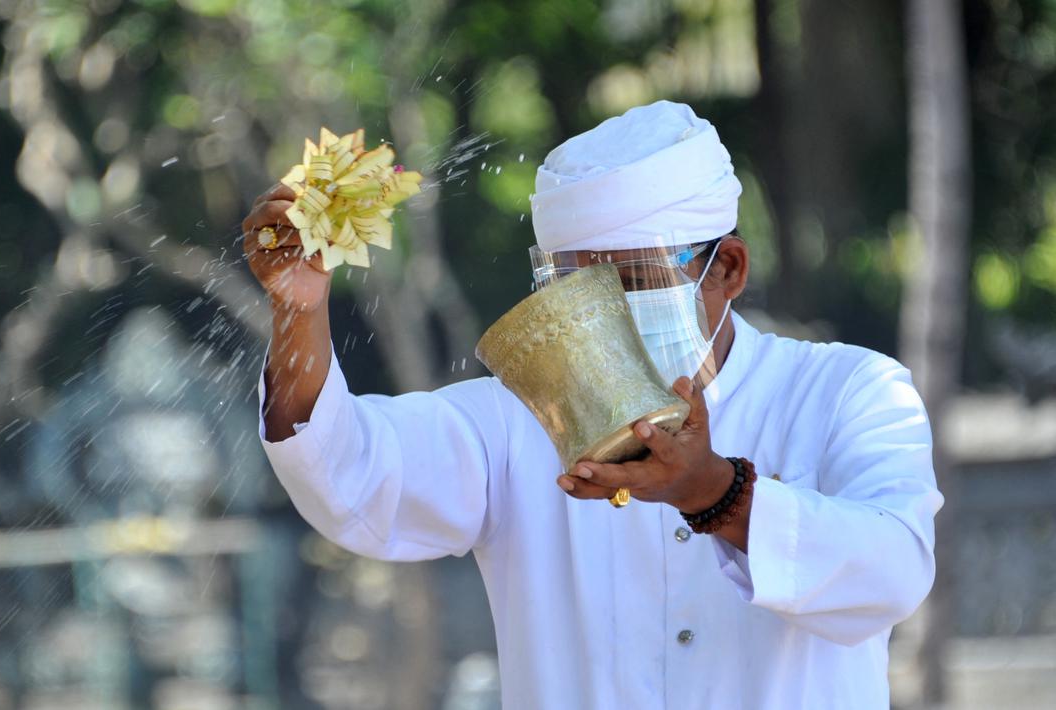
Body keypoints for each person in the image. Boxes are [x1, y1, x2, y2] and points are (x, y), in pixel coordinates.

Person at [241, 101, 943, 709]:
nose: (596, 312)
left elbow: (891, 572)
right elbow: (349, 477)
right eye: (573, 287)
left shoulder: (847, 391)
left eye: (633, 278)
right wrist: (297, 312)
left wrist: (714, 494)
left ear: (725, 269)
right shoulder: (518, 418)